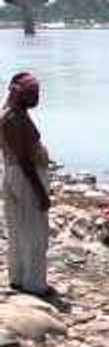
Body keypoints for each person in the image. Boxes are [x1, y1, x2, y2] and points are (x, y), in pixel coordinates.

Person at [0, 72, 52, 296]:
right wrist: (41, 192)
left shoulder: (11, 112)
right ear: (19, 94)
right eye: (33, 94)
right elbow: (24, 159)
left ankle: (18, 277)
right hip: (24, 177)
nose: (37, 98)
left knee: (17, 228)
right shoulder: (15, 118)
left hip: (14, 174)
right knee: (34, 231)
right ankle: (34, 284)